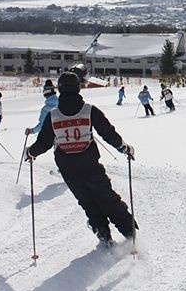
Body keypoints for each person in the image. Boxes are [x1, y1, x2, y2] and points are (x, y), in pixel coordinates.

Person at [25, 71, 138, 248]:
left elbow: (44, 142)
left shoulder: (53, 115)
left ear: (60, 90)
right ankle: (129, 232)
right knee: (107, 197)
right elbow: (107, 133)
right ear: (78, 88)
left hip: (68, 168)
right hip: (90, 163)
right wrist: (123, 147)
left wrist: (31, 152)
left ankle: (103, 233)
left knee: (87, 201)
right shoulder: (89, 111)